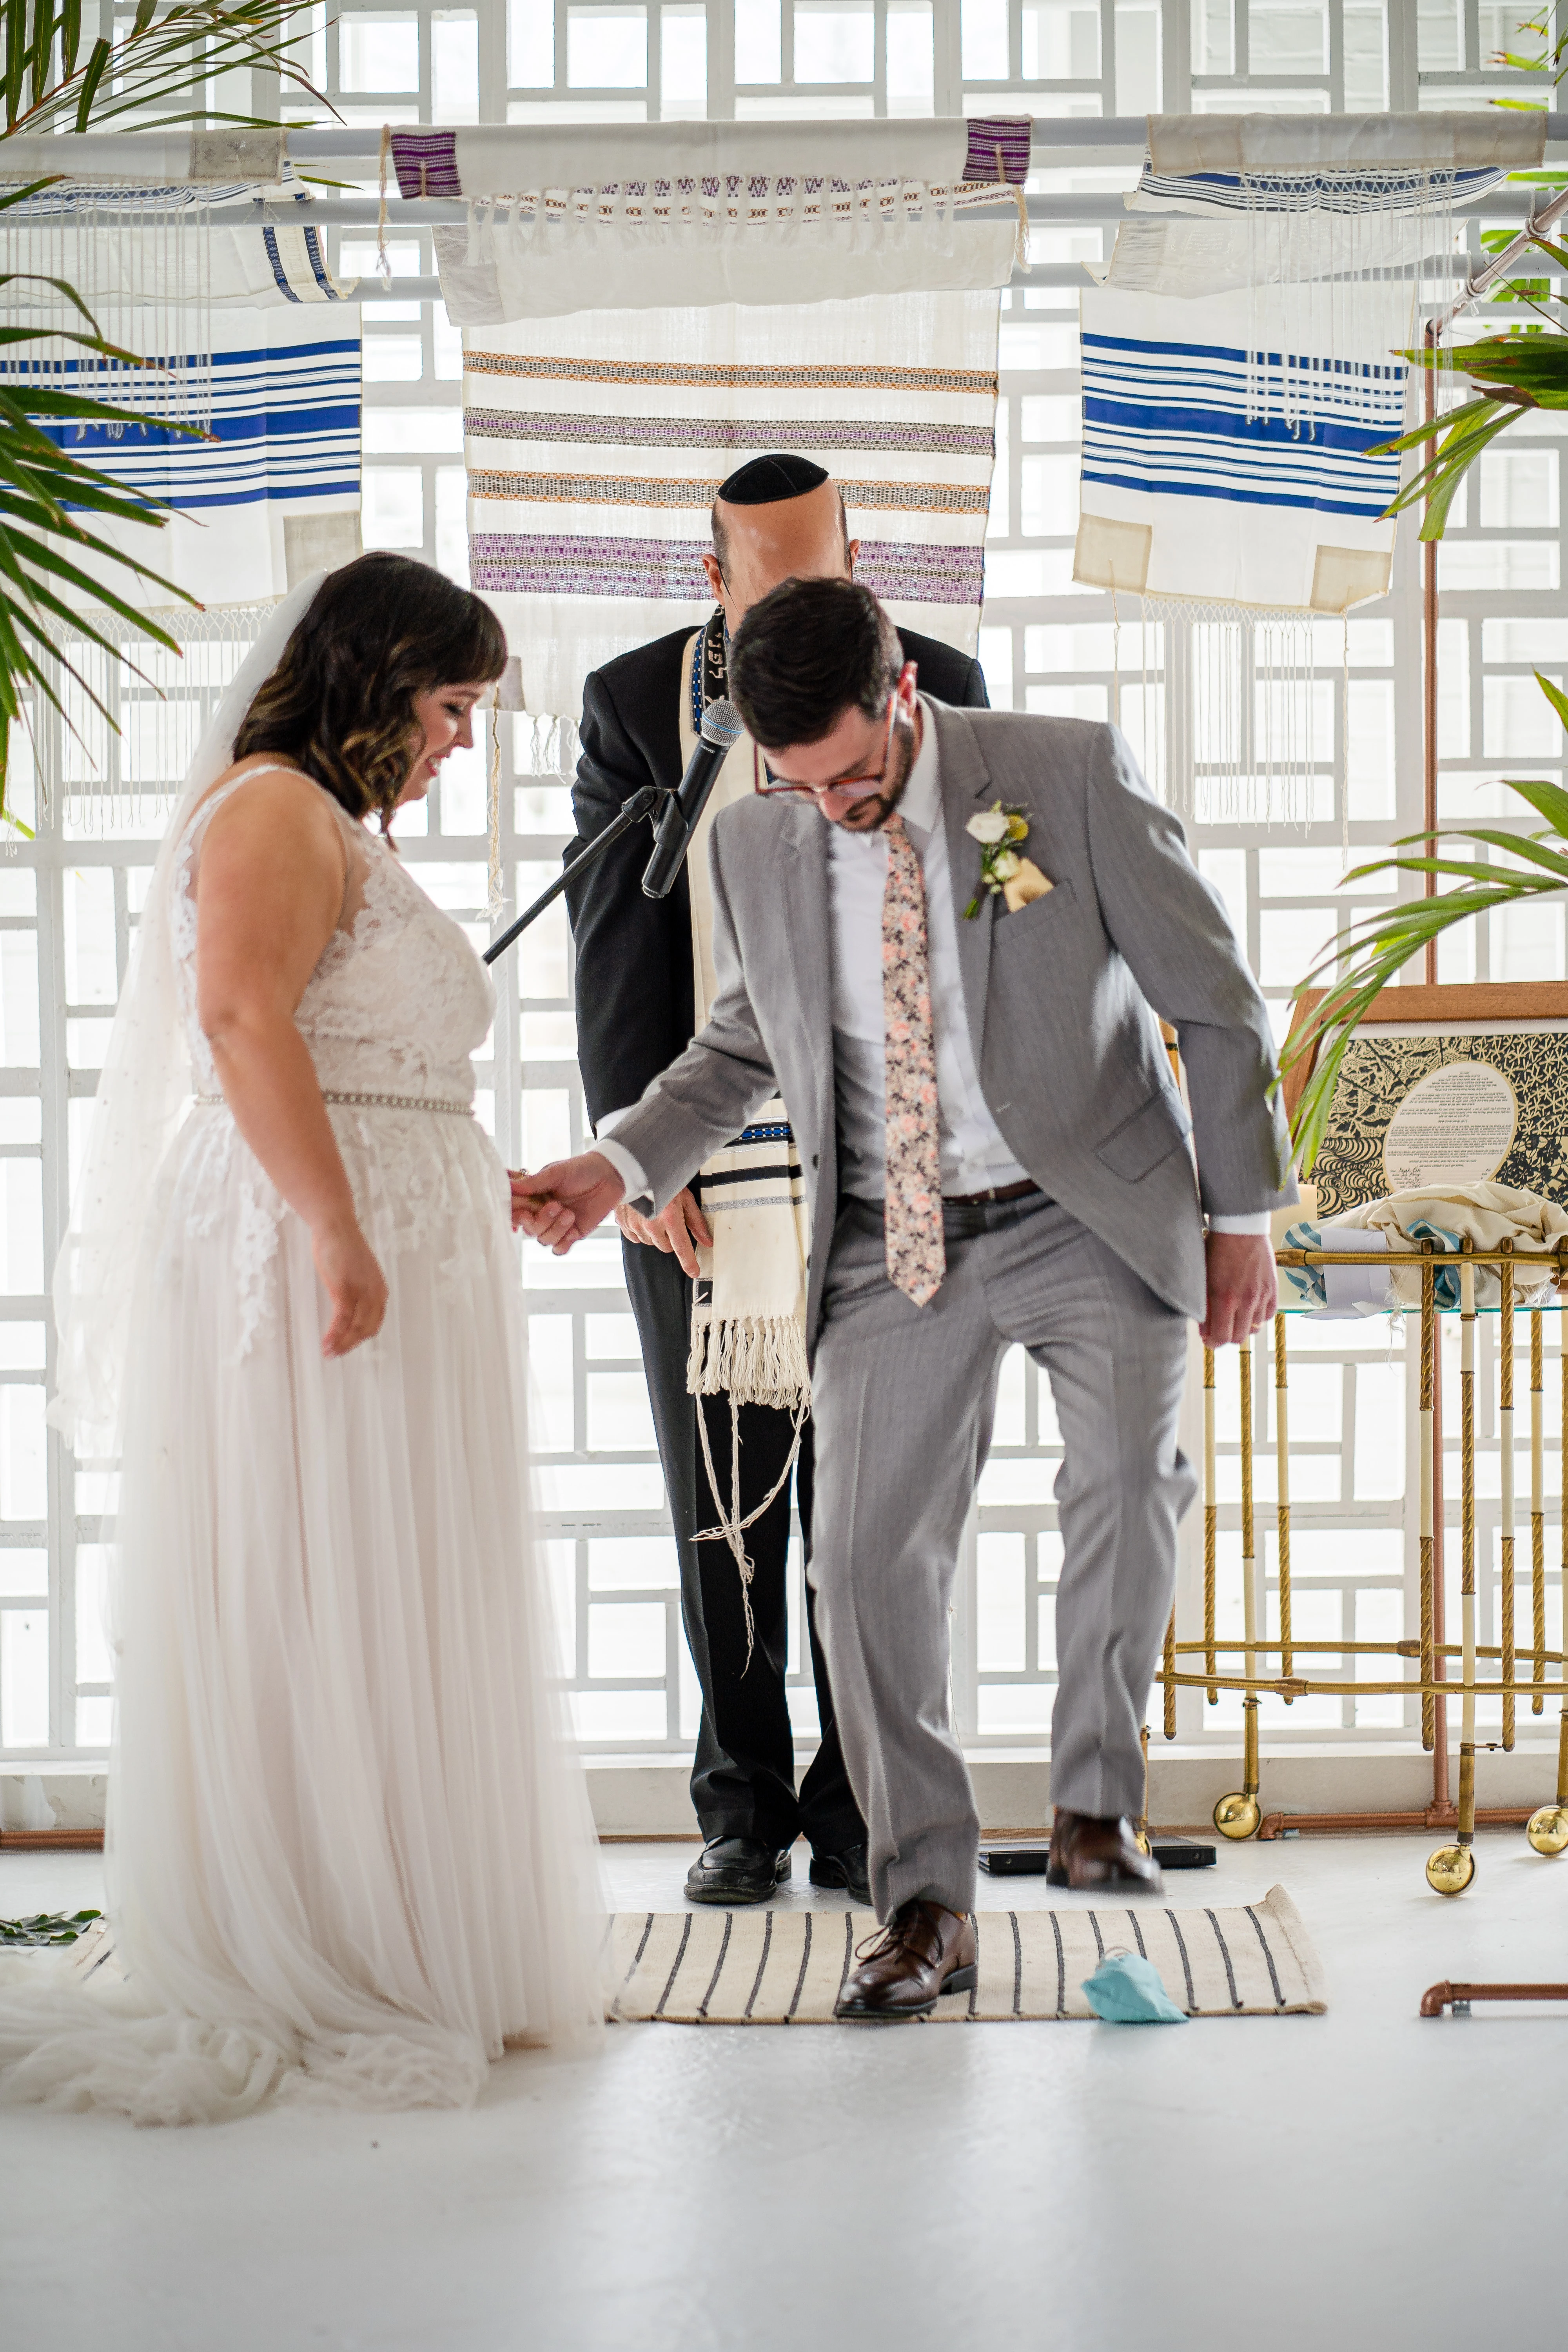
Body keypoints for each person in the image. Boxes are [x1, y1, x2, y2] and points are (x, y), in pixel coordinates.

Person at [517, 576, 1292, 2021]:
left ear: (905, 696)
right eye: (803, 788)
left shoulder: (1062, 771)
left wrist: (1242, 1217)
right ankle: (925, 1899)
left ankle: (1091, 1802)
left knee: (1130, 1479)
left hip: (1088, 1207)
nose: (838, 809)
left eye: (858, 776)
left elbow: (1218, 999)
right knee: (857, 1568)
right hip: (890, 1238)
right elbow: (744, 1042)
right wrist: (616, 1157)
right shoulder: (758, 841)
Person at [0, 555, 603, 2121]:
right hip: (295, 1239)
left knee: (387, 1574)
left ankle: (386, 1908)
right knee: (319, 1570)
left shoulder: (329, 825)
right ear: (376, 677)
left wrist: (479, 1171)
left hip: (386, 1224)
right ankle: (314, 1933)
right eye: (452, 704)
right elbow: (240, 1023)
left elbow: (353, 1047)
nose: (462, 738)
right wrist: (336, 1227)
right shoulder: (271, 806)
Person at [567, 454, 988, 1911]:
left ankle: (862, 1802)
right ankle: (740, 1801)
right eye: (777, 586)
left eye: (832, 578)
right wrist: (638, 1152)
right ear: (714, 583)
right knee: (723, 1497)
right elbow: (611, 951)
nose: (812, 606)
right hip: (704, 1166)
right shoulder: (638, 708)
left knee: (874, 1510)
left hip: (886, 1170)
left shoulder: (939, 679)